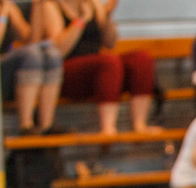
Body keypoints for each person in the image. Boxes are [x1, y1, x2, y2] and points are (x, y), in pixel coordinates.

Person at [34, 0, 158, 135]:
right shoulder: (51, 5)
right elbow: (59, 51)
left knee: (140, 59)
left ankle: (139, 125)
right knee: (108, 63)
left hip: (98, 70)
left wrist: (107, 16)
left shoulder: (93, 4)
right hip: (64, 73)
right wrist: (81, 20)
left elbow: (110, 43)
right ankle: (108, 128)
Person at [0, 0, 62, 134]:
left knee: (51, 54)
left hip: (15, 74)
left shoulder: (9, 7)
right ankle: (25, 125)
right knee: (30, 55)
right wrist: (2, 15)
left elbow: (31, 40)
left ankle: (47, 124)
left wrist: (37, 6)